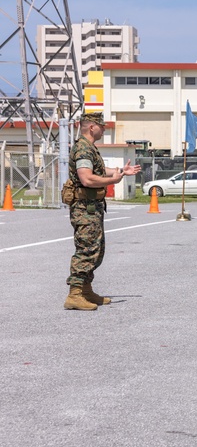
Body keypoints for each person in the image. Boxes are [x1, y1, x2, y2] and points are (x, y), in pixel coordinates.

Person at [64, 113, 141, 311]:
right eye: (101, 126)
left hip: (92, 207)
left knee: (96, 250)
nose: (104, 129)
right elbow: (87, 179)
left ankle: (86, 291)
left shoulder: (88, 148)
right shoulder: (82, 148)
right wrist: (113, 181)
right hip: (85, 209)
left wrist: (120, 172)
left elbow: (97, 170)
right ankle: (74, 294)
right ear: (91, 127)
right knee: (86, 249)